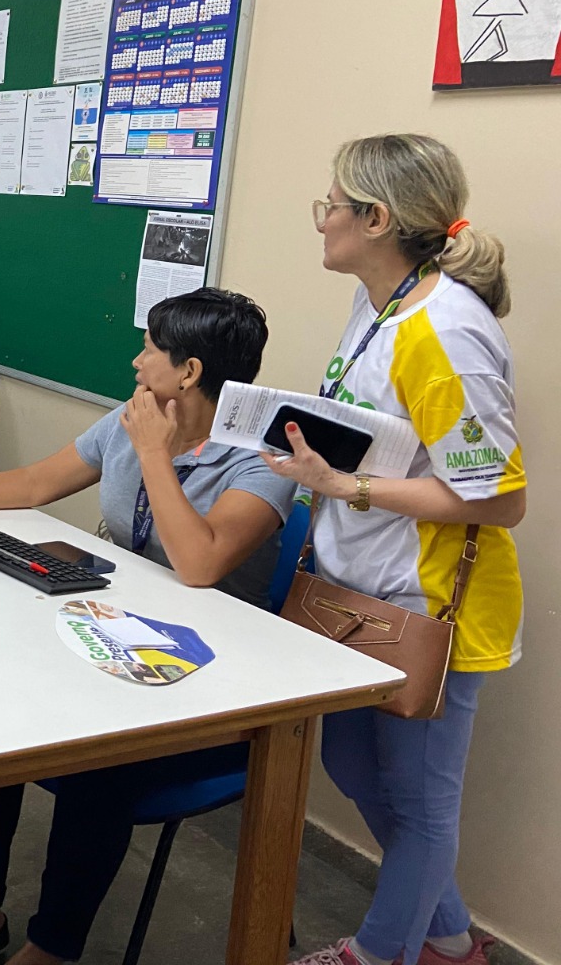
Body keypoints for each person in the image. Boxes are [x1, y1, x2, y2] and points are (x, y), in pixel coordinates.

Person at [0, 288, 298, 965]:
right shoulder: (130, 420)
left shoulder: (260, 462)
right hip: (118, 641)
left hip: (210, 687)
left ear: (189, 372)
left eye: (150, 348)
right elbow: (35, 484)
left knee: (98, 756)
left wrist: (156, 454)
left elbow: (200, 564)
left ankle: (52, 947)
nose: (136, 361)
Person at [273, 135, 523, 965]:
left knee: (420, 806)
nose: (322, 220)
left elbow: (500, 498)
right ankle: (449, 936)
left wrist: (346, 487)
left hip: (431, 606)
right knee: (351, 763)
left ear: (376, 219)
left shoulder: (447, 333)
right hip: (358, 588)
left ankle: (379, 954)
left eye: (332, 205)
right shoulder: (381, 302)